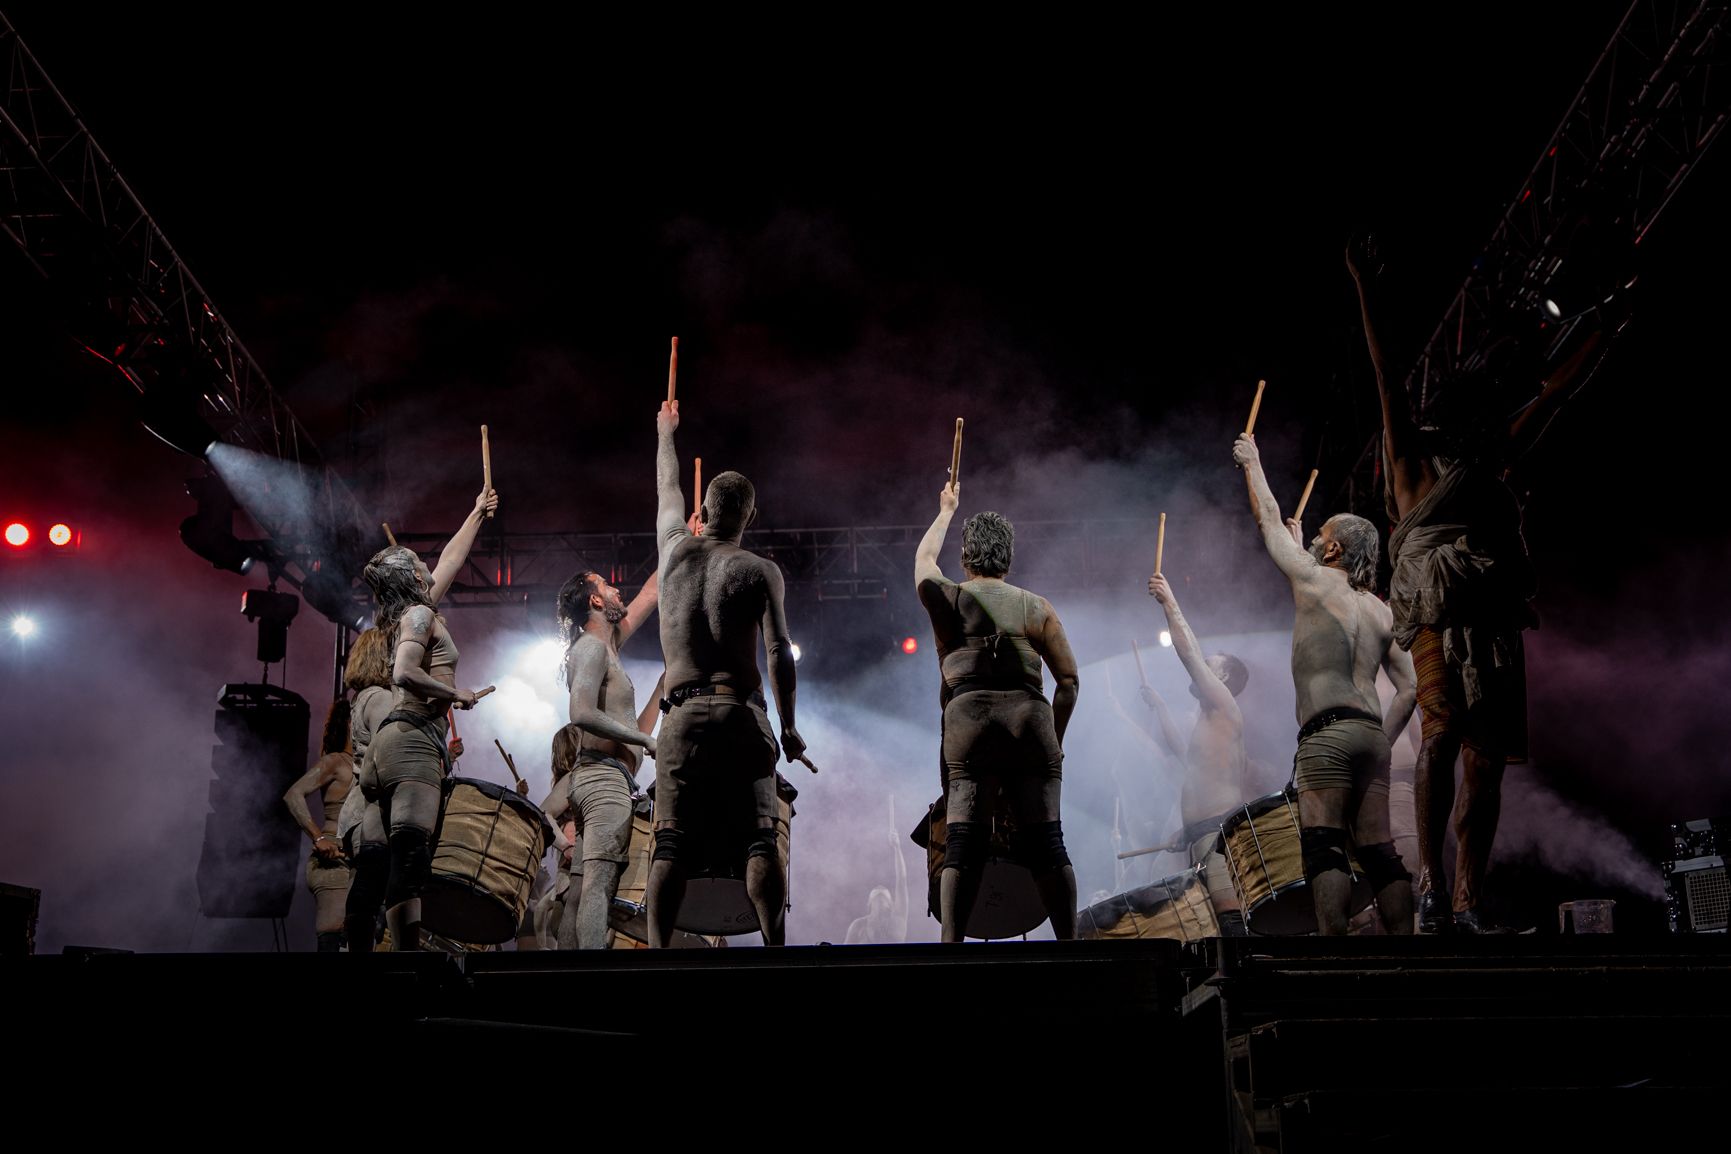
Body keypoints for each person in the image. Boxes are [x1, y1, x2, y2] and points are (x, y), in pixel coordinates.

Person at [1346, 235, 1598, 932]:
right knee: (1439, 737)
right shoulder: (1412, 465)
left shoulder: (1490, 470)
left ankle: (1467, 899)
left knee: (1485, 764)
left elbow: (1553, 394)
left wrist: (1602, 328)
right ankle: (1428, 886)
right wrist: (1364, 286)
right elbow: (1383, 370)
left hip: (1489, 621)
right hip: (1432, 615)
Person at [645, 399, 812, 947]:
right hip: (741, 714)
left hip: (683, 716)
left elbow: (668, 489)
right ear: (749, 518)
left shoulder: (673, 554)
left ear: (708, 511)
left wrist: (666, 432)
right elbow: (779, 652)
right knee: (760, 840)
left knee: (668, 841)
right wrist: (787, 728)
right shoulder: (760, 571)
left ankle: (659, 955)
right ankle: (774, 951)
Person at [1235, 432, 1416, 936]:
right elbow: (1410, 688)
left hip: (1327, 734)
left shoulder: (1312, 581)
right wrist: (1383, 739)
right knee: (1380, 851)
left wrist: (1253, 462)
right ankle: (1410, 949)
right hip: (1370, 735)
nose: (1312, 539)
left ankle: (1335, 953)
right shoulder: (1380, 610)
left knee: (1324, 845)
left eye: (1320, 536)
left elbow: (1267, 518)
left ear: (1333, 549)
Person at [915, 484, 1080, 941]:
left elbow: (923, 564)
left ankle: (951, 944)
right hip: (1030, 718)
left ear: (966, 558)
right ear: (1008, 560)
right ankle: (1069, 944)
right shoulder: (1036, 607)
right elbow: (1068, 683)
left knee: (963, 843)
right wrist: (1055, 745)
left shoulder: (948, 598)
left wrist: (945, 510)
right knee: (1048, 842)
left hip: (971, 721)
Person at [358, 485, 499, 950]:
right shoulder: (419, 613)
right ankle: (407, 967)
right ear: (413, 578)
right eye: (420, 561)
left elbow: (451, 561)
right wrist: (453, 693)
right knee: (411, 861)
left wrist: (476, 512)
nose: (427, 563)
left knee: (376, 862)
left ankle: (355, 959)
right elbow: (403, 672)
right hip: (413, 740)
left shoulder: (413, 610)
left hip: (388, 747)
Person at [545, 560, 662, 950]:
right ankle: (592, 977)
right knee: (599, 884)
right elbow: (580, 712)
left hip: (602, 777)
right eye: (608, 585)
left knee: (580, 890)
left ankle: (566, 975)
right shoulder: (593, 648)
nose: (617, 590)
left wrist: (681, 537)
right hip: (603, 779)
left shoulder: (606, 646)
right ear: (595, 600)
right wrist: (642, 741)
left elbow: (651, 593)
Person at [1140, 574, 1253, 935]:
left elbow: (1187, 652)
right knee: (1213, 922)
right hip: (1203, 832)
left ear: (1224, 678)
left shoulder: (1224, 704)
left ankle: (1240, 985)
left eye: (1211, 663)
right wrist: (1159, 707)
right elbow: (1186, 759)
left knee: (1229, 915)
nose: (1203, 664)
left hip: (1218, 830)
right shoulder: (1209, 718)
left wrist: (1169, 602)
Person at [338, 627, 395, 952]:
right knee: (370, 899)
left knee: (365, 897)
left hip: (359, 812)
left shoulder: (364, 697)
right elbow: (386, 758)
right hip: (372, 812)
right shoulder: (381, 699)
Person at [281, 699, 355, 952]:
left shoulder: (369, 764)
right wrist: (318, 838)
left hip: (359, 862)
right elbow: (293, 794)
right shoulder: (336, 761)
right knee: (334, 940)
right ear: (350, 722)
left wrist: (446, 757)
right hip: (332, 861)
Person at [845, 797, 909, 944]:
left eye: (884, 890)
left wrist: (897, 848)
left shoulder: (898, 918)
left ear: (892, 903)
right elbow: (843, 956)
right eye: (876, 890)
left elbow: (902, 881)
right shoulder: (858, 926)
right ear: (869, 903)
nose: (880, 887)